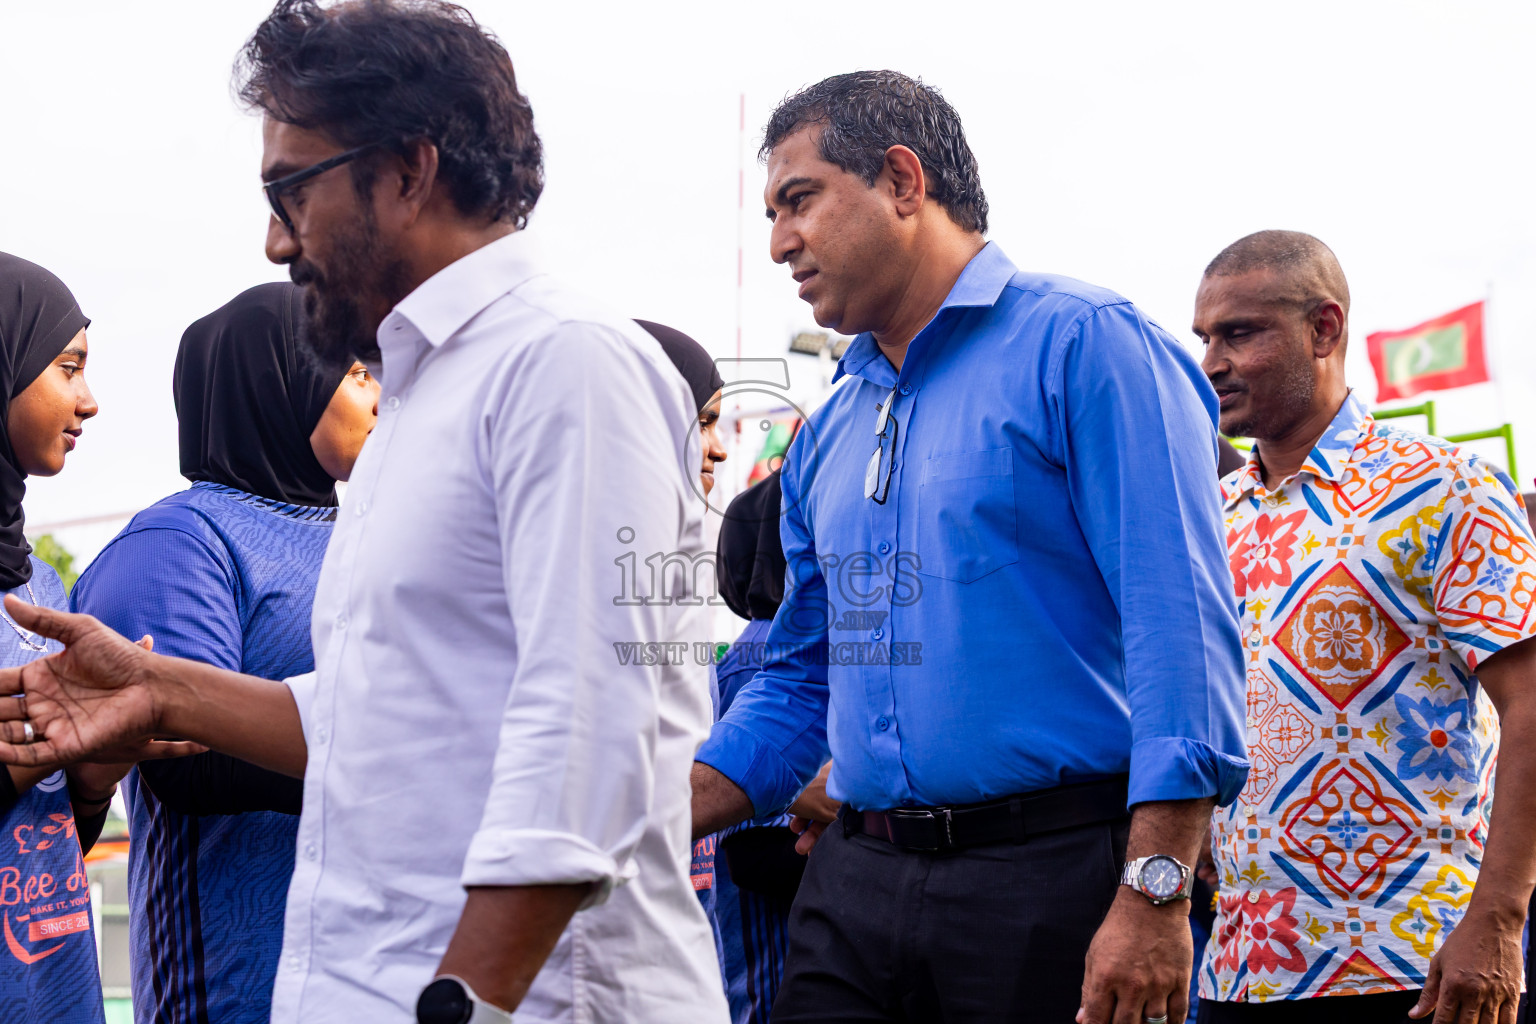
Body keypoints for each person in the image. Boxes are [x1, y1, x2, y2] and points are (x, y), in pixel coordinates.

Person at [0, 4, 727, 1023]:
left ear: (407, 172)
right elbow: (378, 715)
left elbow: (590, 745)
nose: (274, 241)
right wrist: (158, 691)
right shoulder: (420, 403)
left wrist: (464, 1005)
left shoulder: (566, 366)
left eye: (291, 191)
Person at [688, 70, 1248, 1024]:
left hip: (1053, 887)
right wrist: (649, 815)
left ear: (903, 182)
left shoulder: (1089, 346)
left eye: (799, 200)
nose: (780, 241)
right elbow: (803, 675)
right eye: (774, 215)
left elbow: (1180, 633)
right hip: (853, 887)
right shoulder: (830, 430)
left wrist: (1155, 892)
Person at [1192, 230, 1536, 1024]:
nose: (1212, 362)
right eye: (1204, 338)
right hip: (1239, 969)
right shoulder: (1211, 515)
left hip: (1414, 966)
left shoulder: (1447, 487)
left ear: (1324, 329)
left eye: (1238, 333)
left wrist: (1498, 921)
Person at [68, 282, 377, 1024]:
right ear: (281, 380)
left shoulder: (377, 535)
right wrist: (406, 772)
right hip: (238, 985)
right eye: (355, 370)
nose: (379, 394)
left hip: (376, 974)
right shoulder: (181, 541)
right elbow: (186, 759)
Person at [0, 254, 196, 1023]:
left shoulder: (40, 591)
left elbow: (47, 845)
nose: (88, 400)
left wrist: (90, 778)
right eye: (67, 367)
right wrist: (22, 757)